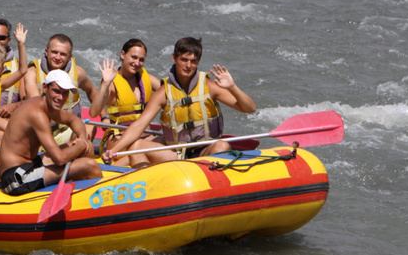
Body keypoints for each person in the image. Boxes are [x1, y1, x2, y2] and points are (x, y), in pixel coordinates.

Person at [103, 37, 256, 164]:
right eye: (184, 60)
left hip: (205, 151)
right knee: (136, 146)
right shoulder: (163, 93)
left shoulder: (209, 87)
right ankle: (151, 187)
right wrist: (114, 151)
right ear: (174, 57)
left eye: (193, 61)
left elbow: (249, 108)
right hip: (176, 156)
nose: (188, 66)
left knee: (222, 145)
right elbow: (139, 125)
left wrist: (233, 87)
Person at [0, 69, 102, 195]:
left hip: (30, 164)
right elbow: (59, 159)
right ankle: (95, 202)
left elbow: (74, 120)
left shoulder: (44, 104)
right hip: (17, 178)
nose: (61, 97)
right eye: (57, 91)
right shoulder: (37, 114)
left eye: (65, 93)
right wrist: (81, 144)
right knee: (89, 164)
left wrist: (83, 138)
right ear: (45, 88)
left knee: (88, 146)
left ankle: (78, 192)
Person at [87, 39, 167, 167]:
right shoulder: (112, 82)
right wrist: (105, 84)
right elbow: (94, 112)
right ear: (123, 55)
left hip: (146, 137)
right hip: (119, 140)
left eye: (141, 59)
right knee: (142, 151)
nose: (137, 63)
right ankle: (113, 166)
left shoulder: (147, 78)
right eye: (133, 57)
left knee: (168, 142)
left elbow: (171, 95)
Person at [22, 33, 98, 144]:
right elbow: (35, 102)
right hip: (41, 130)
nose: (57, 57)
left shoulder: (78, 73)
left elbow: (91, 90)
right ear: (46, 52)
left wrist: (104, 116)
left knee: (90, 128)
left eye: (63, 54)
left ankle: (74, 151)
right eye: (54, 52)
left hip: (68, 129)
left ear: (69, 56)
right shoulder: (32, 73)